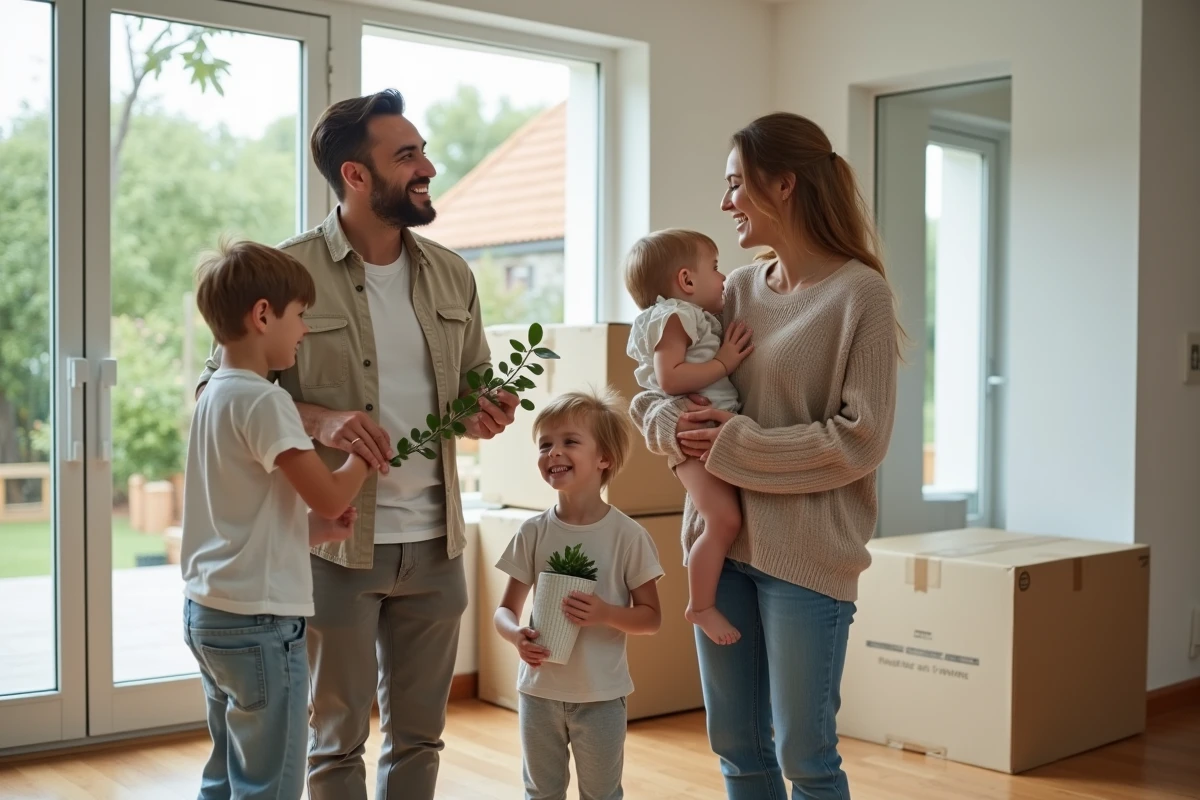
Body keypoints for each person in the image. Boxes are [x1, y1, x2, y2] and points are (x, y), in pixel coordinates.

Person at [196, 89, 519, 800]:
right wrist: (319, 420)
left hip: (438, 542)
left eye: (422, 150)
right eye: (407, 155)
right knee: (333, 740)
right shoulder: (287, 272)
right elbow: (217, 388)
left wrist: (483, 411)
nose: (427, 165)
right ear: (356, 175)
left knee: (421, 737)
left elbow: (470, 386)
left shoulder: (453, 274)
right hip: (333, 546)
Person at [629, 113, 902, 799]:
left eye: (735, 186)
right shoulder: (735, 290)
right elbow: (656, 394)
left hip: (807, 557)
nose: (726, 206)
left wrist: (733, 445)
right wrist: (675, 429)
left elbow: (861, 440)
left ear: (783, 185)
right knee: (737, 749)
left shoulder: (858, 293)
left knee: (806, 757)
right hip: (719, 556)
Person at [181, 239, 372, 800]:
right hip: (260, 628)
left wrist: (315, 532)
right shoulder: (266, 402)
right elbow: (332, 495)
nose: (305, 330)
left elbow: (244, 518)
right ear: (263, 314)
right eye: (301, 316)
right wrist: (363, 456)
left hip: (209, 614)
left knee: (225, 774)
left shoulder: (215, 395)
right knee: (272, 784)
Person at [493, 389, 664, 800]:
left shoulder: (628, 536)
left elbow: (651, 618)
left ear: (604, 458)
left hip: (601, 696)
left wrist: (606, 612)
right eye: (545, 444)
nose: (554, 452)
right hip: (538, 693)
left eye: (569, 441)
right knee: (541, 792)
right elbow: (505, 610)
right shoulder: (533, 532)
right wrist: (516, 635)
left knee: (602, 794)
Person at [622, 228, 753, 646]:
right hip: (696, 441)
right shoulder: (674, 316)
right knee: (723, 520)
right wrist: (724, 362)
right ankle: (700, 605)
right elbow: (670, 377)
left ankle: (702, 603)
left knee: (726, 518)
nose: (723, 277)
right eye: (714, 268)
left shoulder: (691, 316)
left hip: (710, 433)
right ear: (686, 280)